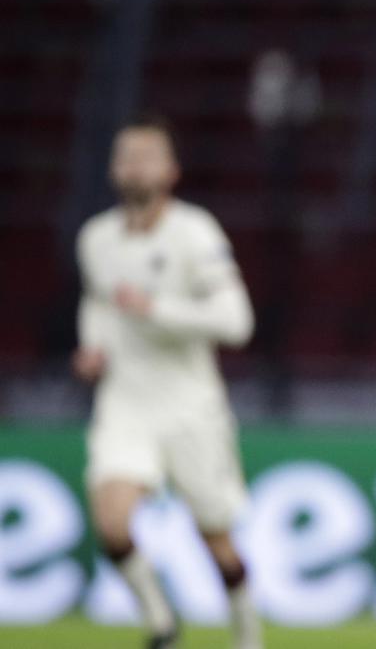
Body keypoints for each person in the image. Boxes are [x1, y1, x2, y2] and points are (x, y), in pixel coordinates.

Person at [73, 115, 262, 649]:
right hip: (124, 404)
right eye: (124, 155)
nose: (134, 164)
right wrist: (93, 348)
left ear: (171, 170)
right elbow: (96, 302)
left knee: (217, 541)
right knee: (111, 523)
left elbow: (236, 322)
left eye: (146, 155)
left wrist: (154, 308)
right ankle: (161, 625)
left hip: (190, 407)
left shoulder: (195, 233)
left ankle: (247, 633)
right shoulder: (96, 239)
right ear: (113, 169)